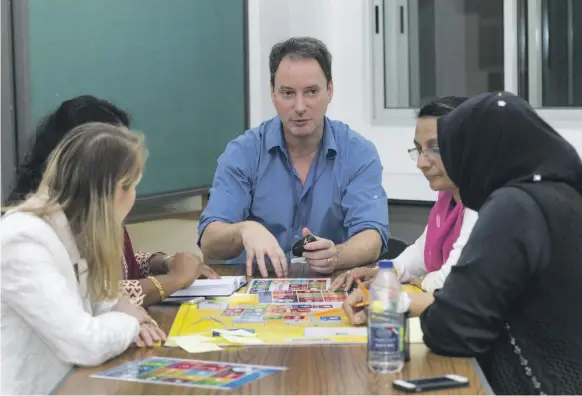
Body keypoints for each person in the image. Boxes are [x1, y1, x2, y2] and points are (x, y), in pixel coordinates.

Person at [354, 92, 582, 394]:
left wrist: (394, 306)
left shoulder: (512, 206)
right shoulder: (564, 195)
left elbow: (453, 328)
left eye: (456, 148)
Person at [198, 37, 389, 278]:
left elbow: (372, 235)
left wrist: (336, 254)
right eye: (288, 93)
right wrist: (244, 230)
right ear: (272, 93)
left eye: (311, 92)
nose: (299, 107)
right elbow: (209, 241)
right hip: (257, 288)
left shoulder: (359, 153)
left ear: (330, 90)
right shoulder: (243, 152)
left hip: (330, 286)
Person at [1, 123, 167, 395]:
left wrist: (123, 316)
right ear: (115, 191)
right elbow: (83, 343)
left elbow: (104, 303)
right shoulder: (24, 239)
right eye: (134, 186)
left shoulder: (74, 229)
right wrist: (131, 323)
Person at [7, 95, 218, 307]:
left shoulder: (94, 206)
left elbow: (120, 264)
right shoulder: (48, 224)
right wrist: (173, 280)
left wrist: (163, 262)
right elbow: (91, 296)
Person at [331, 96, 478, 294]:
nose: (421, 163)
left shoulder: (483, 200)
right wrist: (383, 272)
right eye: (419, 150)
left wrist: (422, 281)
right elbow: (421, 252)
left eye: (434, 149)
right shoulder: (448, 196)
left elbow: (450, 282)